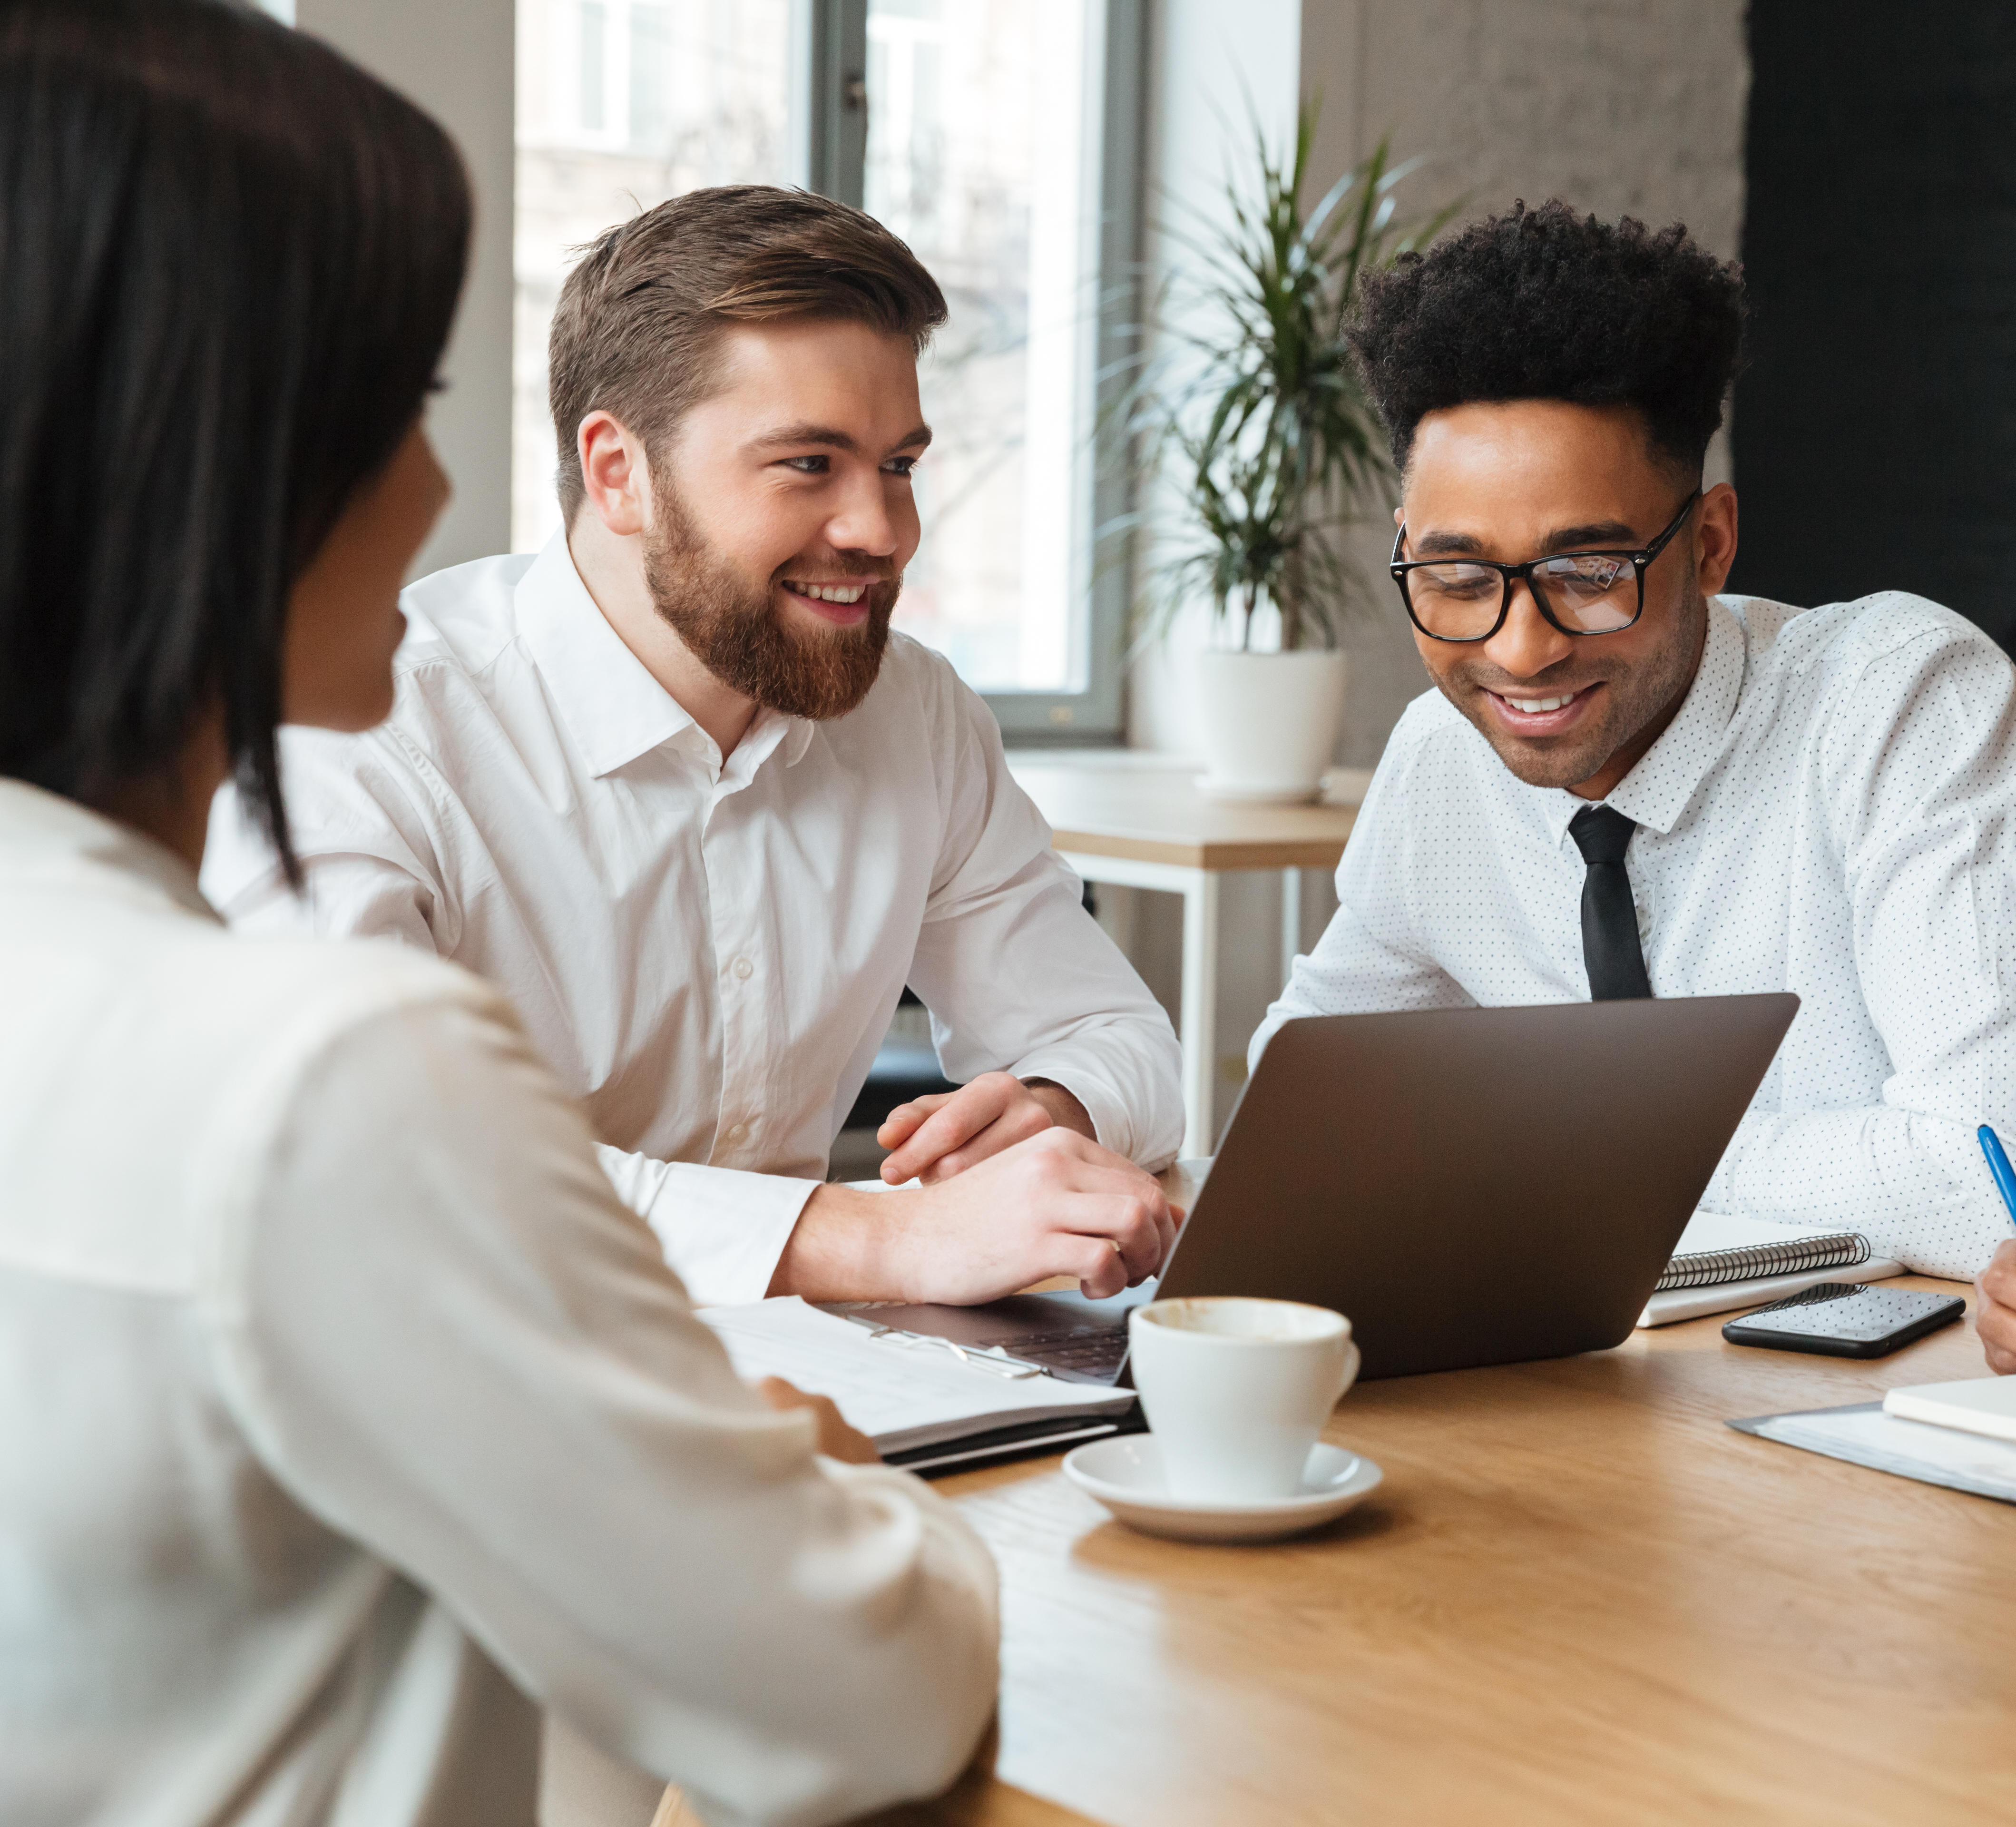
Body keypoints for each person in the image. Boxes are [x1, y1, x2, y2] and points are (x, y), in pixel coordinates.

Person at [0, 6, 998, 1822]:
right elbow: (866, 1692)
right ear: (217, 467)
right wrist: (808, 1471)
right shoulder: (329, 1079)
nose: (449, 491)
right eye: (402, 410)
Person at [199, 183, 1183, 1310]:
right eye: (809, 464)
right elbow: (371, 1171)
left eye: (899, 464)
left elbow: (1117, 1037)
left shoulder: (915, 715)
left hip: (809, 1392)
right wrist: (870, 1241)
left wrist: (1053, 1110)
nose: (882, 532)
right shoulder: (364, 723)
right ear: (619, 472)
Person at [1251, 200, 2016, 1282]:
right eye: (1460, 580)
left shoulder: (1899, 703)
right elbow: (1300, 1091)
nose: (1519, 651)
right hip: (1588, 1387)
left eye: (1589, 575)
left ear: (1708, 544)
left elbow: (1984, 1172)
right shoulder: (1442, 756)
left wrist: (1568, 1149)